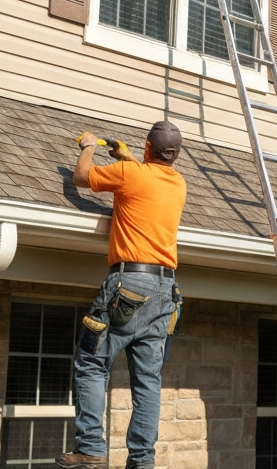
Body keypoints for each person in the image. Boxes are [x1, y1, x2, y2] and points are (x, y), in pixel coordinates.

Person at [58, 122, 188, 469]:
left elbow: (82, 179)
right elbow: (145, 174)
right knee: (147, 380)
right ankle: (142, 461)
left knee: (91, 361)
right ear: (174, 154)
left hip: (129, 283)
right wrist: (126, 155)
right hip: (165, 290)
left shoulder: (131, 175)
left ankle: (91, 449)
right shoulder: (177, 182)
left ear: (148, 147)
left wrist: (87, 146)